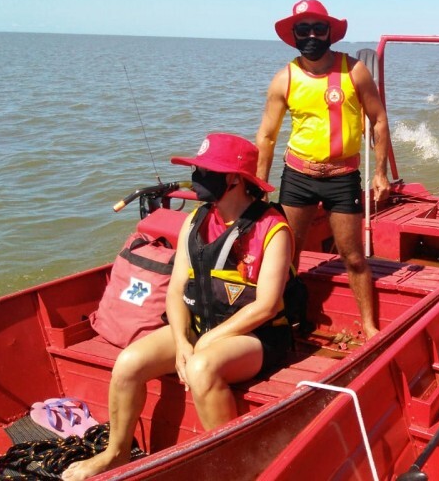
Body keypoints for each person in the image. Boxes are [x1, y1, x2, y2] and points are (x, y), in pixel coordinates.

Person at [63, 133, 293, 480]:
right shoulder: (196, 220)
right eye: (197, 169)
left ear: (233, 179)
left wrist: (203, 344)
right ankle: (116, 453)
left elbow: (267, 305)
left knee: (201, 368)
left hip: (257, 337)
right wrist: (184, 341)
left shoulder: (272, 228)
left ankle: (233, 467)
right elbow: (176, 289)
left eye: (205, 171)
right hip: (202, 327)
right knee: (128, 363)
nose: (197, 178)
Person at [256, 0, 391, 340]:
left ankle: (370, 327)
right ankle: (281, 322)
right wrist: (258, 186)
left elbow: (378, 120)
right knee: (285, 257)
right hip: (298, 177)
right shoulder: (284, 79)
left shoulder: (354, 70)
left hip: (342, 178)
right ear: (294, 35)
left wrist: (379, 172)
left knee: (354, 257)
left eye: (319, 28)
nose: (312, 35)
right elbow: (267, 137)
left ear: (330, 32)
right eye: (304, 29)